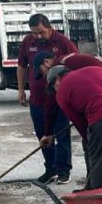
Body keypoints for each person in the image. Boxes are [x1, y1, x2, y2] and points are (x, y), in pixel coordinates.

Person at [41, 64, 102, 190]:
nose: (55, 91)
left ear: (57, 78)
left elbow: (81, 125)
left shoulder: (61, 93)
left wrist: (91, 144)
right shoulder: (94, 69)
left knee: (101, 170)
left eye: (53, 87)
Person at [17, 13, 78, 184]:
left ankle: (63, 170)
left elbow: (76, 64)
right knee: (43, 135)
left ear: (50, 28)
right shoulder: (28, 42)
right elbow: (22, 66)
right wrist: (21, 89)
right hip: (37, 100)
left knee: (61, 134)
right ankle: (50, 169)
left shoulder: (62, 42)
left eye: (41, 32)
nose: (37, 36)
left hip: (59, 99)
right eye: (34, 33)